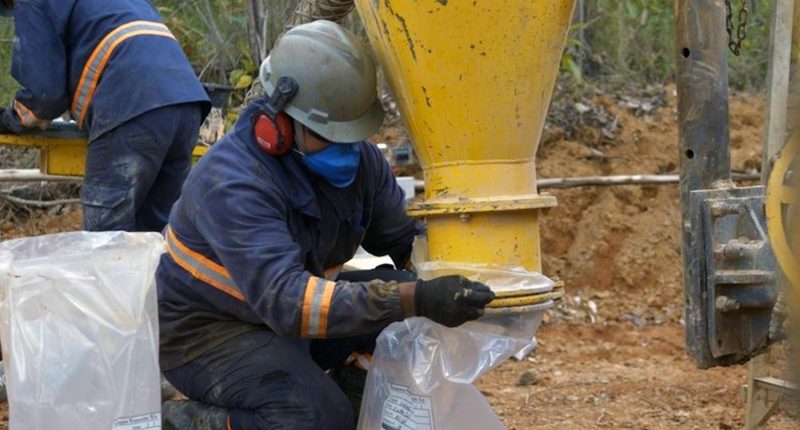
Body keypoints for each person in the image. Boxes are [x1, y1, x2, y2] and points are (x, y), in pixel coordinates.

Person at [157, 20, 495, 430]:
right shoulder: (233, 182)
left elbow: (405, 239)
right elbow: (287, 301)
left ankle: (356, 412)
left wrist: (458, 276)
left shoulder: (359, 162)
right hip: (209, 333)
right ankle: (185, 422)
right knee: (312, 416)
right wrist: (416, 297)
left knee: (406, 314)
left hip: (292, 320)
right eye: (328, 134)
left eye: (352, 134)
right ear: (278, 122)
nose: (346, 149)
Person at [0, 0, 210, 232]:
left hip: (131, 105)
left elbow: (45, 97)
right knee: (158, 235)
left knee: (105, 240)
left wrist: (13, 118)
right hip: (187, 103)